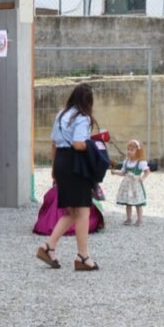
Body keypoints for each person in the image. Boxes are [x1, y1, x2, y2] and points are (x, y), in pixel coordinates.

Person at [36, 82, 100, 271]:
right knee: (83, 211)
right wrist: (95, 145)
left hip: (61, 162)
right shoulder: (83, 117)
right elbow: (78, 144)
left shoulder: (61, 115)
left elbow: (54, 143)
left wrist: (54, 169)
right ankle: (83, 256)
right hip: (75, 165)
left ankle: (48, 246)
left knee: (72, 211)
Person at [113, 138, 151, 226]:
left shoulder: (140, 162)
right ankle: (129, 218)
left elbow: (147, 171)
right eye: (128, 150)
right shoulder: (127, 161)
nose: (129, 152)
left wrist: (143, 178)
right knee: (128, 202)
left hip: (135, 184)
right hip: (127, 184)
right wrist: (115, 172)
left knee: (138, 202)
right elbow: (123, 172)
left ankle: (140, 219)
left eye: (132, 150)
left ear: (138, 151)